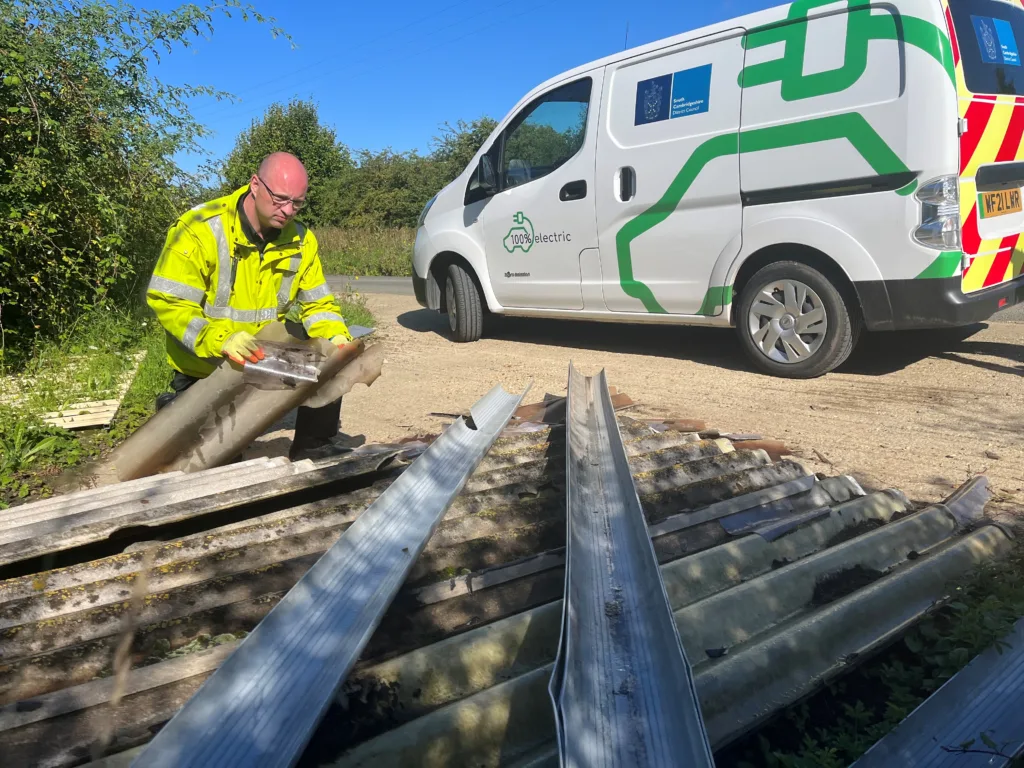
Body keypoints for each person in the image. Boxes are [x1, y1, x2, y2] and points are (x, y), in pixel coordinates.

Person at [147, 152, 353, 458]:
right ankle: (178, 408)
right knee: (217, 464)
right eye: (280, 199)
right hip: (207, 366)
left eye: (297, 203)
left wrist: (337, 337)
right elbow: (169, 302)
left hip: (264, 358)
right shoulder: (200, 228)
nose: (287, 211)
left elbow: (318, 305)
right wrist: (221, 339)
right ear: (255, 185)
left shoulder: (301, 240)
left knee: (333, 355)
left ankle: (315, 447)